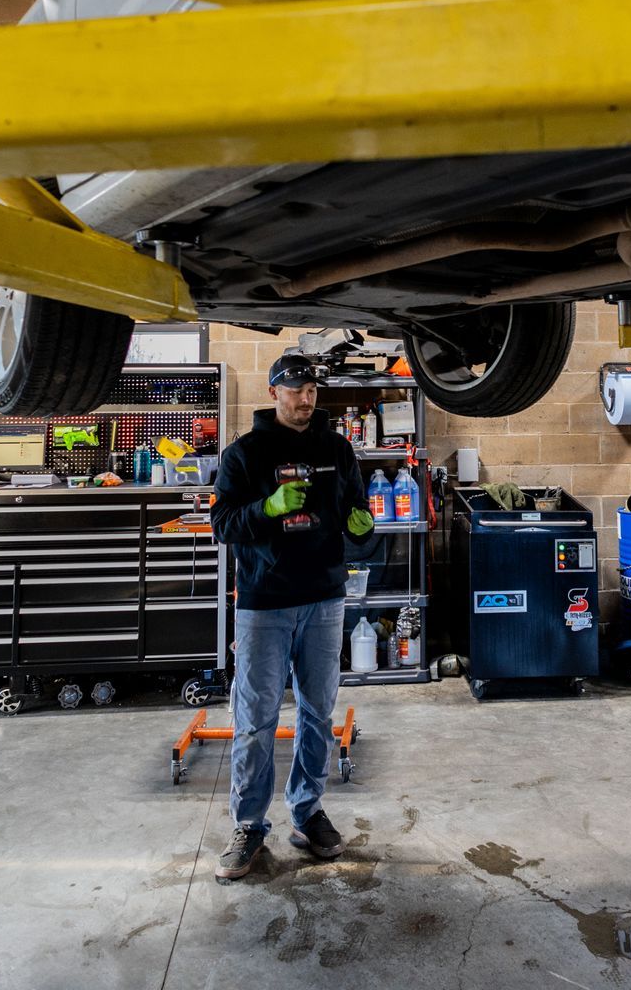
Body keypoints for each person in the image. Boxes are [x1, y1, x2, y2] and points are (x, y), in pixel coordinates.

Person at [210, 352, 375, 878]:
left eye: (312, 390)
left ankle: (306, 812)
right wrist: (269, 508)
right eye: (296, 389)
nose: (306, 399)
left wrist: (362, 526)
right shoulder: (245, 455)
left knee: (317, 714)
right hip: (265, 605)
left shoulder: (337, 448)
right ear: (274, 391)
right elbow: (223, 524)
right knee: (256, 721)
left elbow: (359, 516)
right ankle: (249, 826)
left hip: (325, 599)